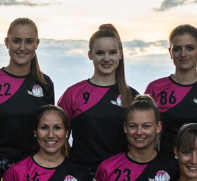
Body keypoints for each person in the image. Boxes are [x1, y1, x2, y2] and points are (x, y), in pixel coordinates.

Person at [0, 18, 55, 171]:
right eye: (16, 41)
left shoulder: (45, 84)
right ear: (6, 42)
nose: (22, 47)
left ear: (37, 44)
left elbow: (48, 132)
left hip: (34, 170)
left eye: (29, 41)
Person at [58, 24, 138, 168]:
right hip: (81, 175)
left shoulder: (132, 96)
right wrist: (71, 165)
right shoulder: (73, 93)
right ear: (90, 55)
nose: (106, 58)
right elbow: (58, 135)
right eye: (100, 53)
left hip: (120, 174)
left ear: (120, 54)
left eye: (112, 52)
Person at [145, 24, 197, 154]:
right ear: (170, 52)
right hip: (164, 164)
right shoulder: (155, 88)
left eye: (190, 48)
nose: (183, 54)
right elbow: (145, 131)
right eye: (177, 49)